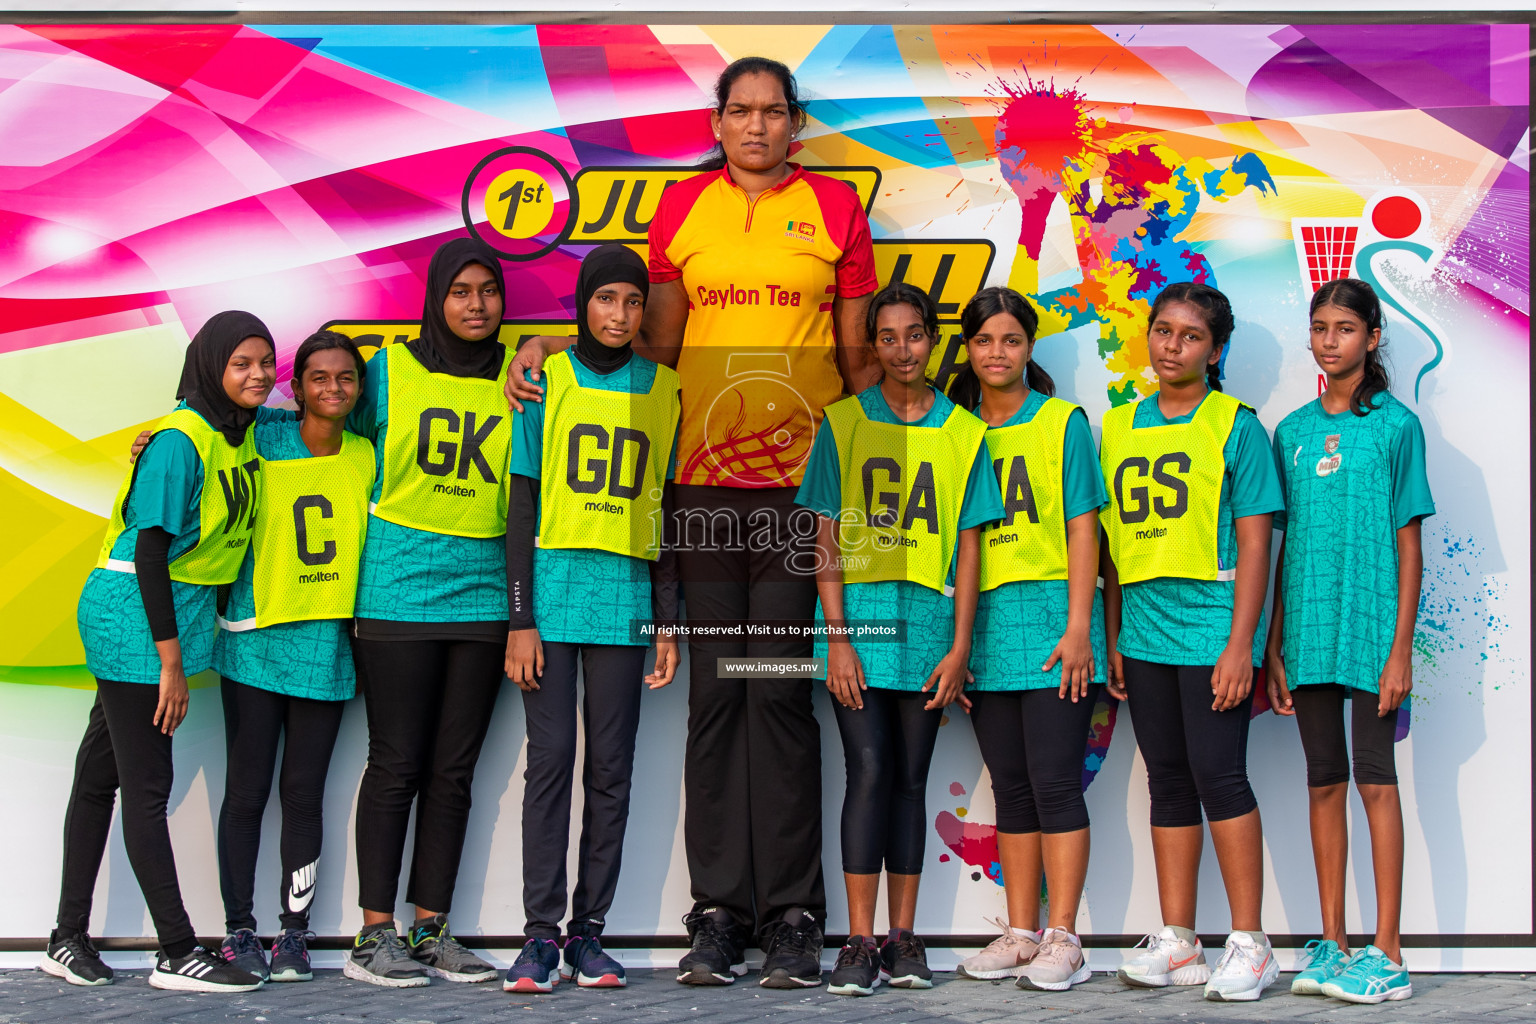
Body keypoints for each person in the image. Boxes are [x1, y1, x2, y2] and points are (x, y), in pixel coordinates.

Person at [506, 56, 878, 988]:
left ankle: (794, 916)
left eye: (774, 113)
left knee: (780, 699)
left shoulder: (836, 212)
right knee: (715, 701)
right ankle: (716, 913)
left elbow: (860, 358)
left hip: (800, 495)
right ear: (718, 123)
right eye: (740, 112)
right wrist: (552, 344)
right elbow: (652, 349)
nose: (757, 127)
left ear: (797, 123)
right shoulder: (681, 211)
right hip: (701, 492)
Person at [42, 312, 275, 993]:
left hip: (172, 611)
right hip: (137, 614)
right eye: (241, 364)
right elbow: (149, 552)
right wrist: (170, 663)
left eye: (265, 361)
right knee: (147, 789)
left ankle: (65, 936)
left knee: (99, 777)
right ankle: (176, 950)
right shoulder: (182, 440)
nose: (257, 375)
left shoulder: (242, 432)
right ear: (210, 366)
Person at [795, 282, 1001, 997]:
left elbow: (970, 546)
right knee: (870, 771)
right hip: (858, 626)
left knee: (910, 779)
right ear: (873, 345)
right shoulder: (843, 421)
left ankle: (902, 938)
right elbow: (822, 535)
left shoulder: (962, 430)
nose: (904, 349)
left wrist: (961, 645)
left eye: (916, 334)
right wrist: (838, 638)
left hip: (930, 630)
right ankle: (856, 940)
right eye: (889, 337)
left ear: (932, 342)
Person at [500, 244, 683, 994]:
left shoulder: (665, 389)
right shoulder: (548, 379)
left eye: (633, 302)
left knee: (611, 770)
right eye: (607, 299)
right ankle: (539, 936)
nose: (620, 314)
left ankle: (589, 935)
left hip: (624, 601)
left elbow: (666, 513)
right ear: (583, 304)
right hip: (551, 594)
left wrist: (667, 622)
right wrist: (520, 618)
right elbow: (520, 506)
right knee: (550, 766)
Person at [1100, 282, 1284, 1002]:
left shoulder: (1236, 425)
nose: (1172, 346)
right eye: (1163, 331)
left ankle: (1251, 941)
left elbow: (1257, 542)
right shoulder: (1118, 425)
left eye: (1191, 336)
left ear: (1216, 350)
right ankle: (1180, 940)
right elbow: (1114, 544)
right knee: (1167, 780)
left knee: (1220, 776)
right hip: (1144, 628)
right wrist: (1114, 631)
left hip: (1212, 628)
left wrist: (1243, 643)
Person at [343, 237, 513, 988]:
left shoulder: (523, 377)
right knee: (396, 763)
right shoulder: (387, 371)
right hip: (396, 590)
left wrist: (537, 344)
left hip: (481, 595)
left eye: (488, 291)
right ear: (436, 298)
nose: (476, 305)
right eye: (461, 292)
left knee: (454, 771)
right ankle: (373, 934)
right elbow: (314, 420)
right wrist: (173, 426)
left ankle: (432, 929)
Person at [1267, 278, 1432, 1005]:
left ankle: (1388, 950)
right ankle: (1331, 943)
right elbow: (1283, 544)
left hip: (1370, 634)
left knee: (1375, 780)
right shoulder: (1291, 432)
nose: (1329, 340)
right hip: (1306, 631)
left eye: (1344, 328)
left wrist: (1401, 650)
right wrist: (1273, 642)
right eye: (1320, 327)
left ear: (1371, 338)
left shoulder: (1397, 426)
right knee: (1323, 780)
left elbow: (1409, 544)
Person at [947, 288, 1107, 991]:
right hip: (983, 627)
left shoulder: (1063, 423)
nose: (997, 353)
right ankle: (1020, 931)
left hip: (1050, 619)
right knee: (1009, 786)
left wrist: (1080, 626)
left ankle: (1063, 936)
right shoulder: (953, 427)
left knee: (1055, 782)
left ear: (1029, 348)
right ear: (969, 349)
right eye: (984, 341)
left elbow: (1082, 527)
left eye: (1011, 340)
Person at [211, 330, 375, 984]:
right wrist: (152, 441)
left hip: (325, 647)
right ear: (296, 385)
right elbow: (202, 443)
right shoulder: (261, 437)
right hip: (253, 638)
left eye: (346, 379)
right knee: (247, 789)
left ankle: (294, 933)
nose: (333, 389)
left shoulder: (369, 455)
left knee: (303, 792)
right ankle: (238, 929)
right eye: (319, 378)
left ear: (359, 388)